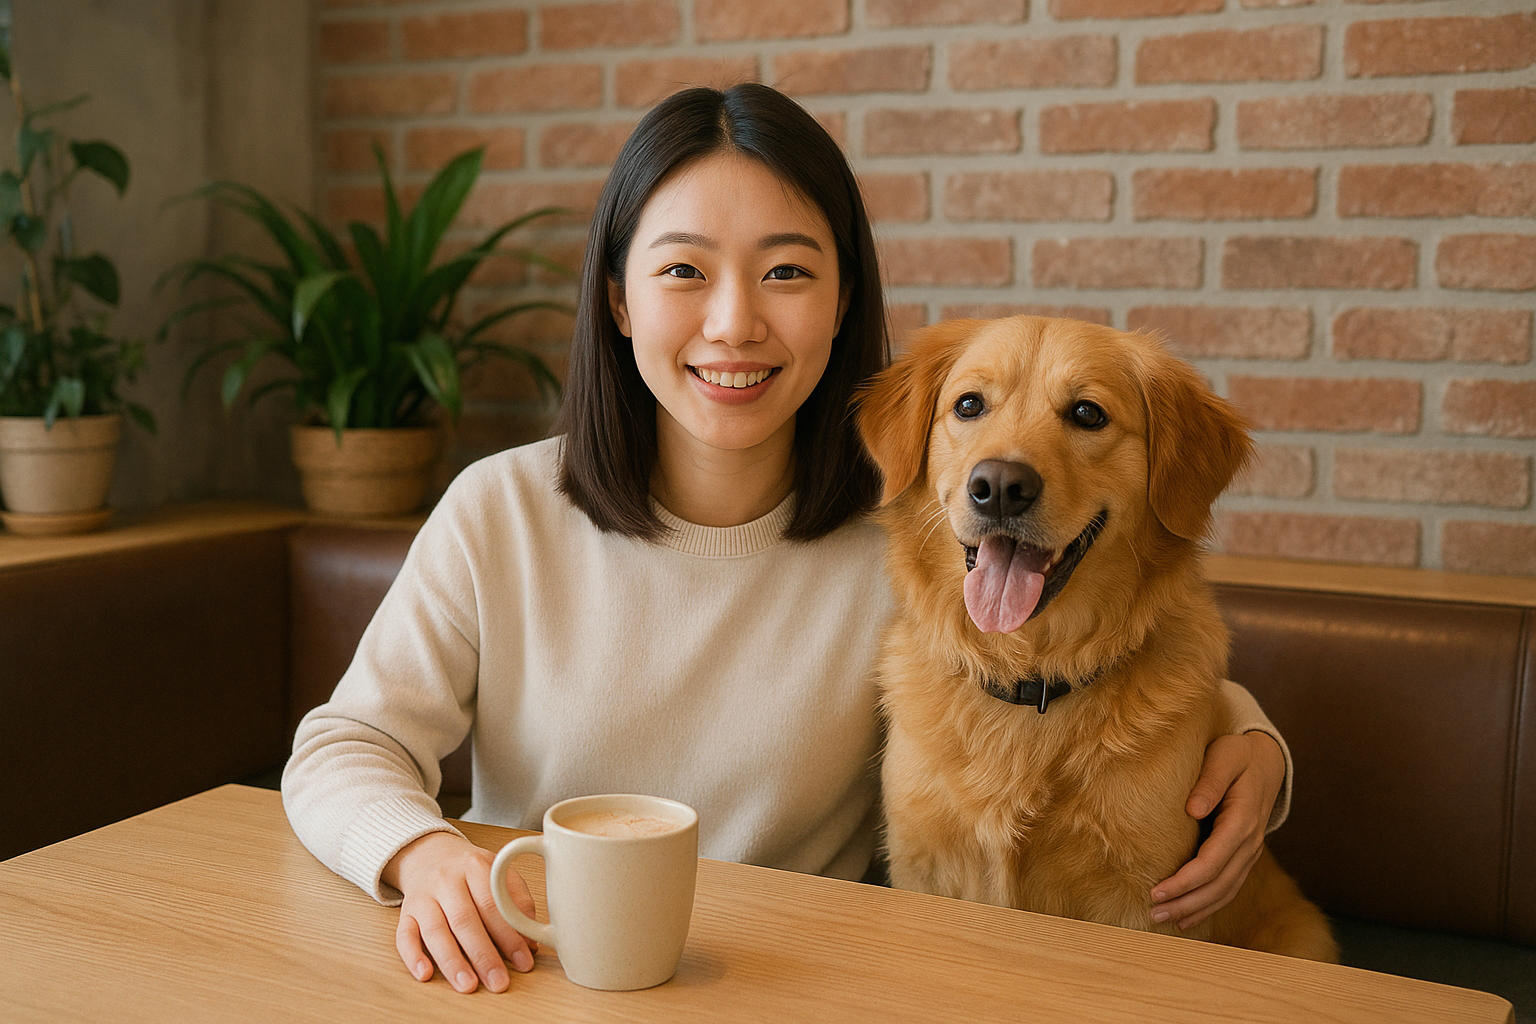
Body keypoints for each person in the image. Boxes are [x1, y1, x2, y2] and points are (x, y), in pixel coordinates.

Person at [282, 83, 1292, 996]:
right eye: (684, 268)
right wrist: (421, 853)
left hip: (808, 989)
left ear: (843, 299)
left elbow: (1076, 657)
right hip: (542, 976)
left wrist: (1248, 739)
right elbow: (345, 744)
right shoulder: (500, 511)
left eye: (786, 271)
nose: (734, 322)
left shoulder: (913, 533)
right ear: (620, 298)